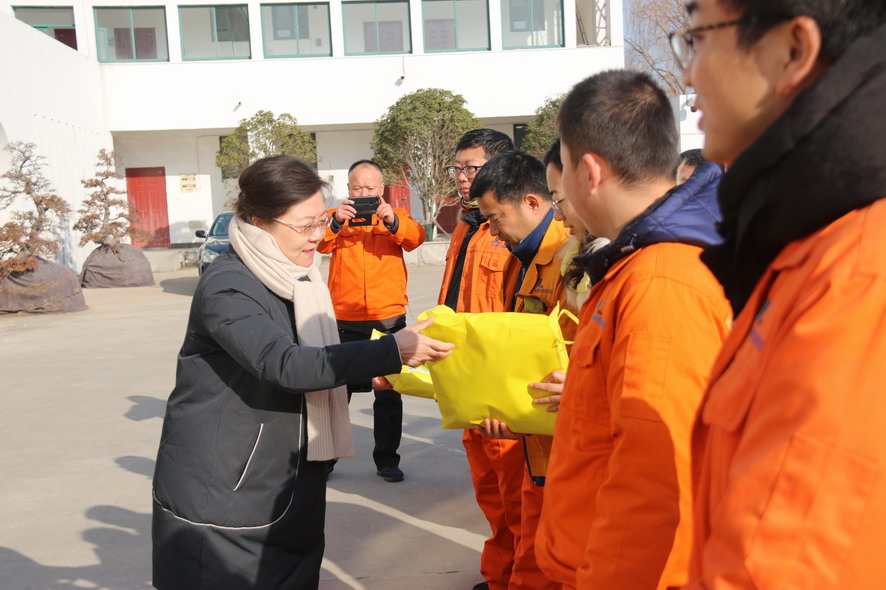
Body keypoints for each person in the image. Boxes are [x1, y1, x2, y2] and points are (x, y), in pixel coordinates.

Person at [151, 155, 453, 590]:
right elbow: (285, 364)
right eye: (306, 225)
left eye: (321, 222)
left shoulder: (294, 277)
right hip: (228, 486)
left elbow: (313, 357)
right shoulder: (229, 285)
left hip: (284, 475)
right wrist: (391, 350)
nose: (317, 235)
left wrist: (370, 374)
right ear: (260, 222)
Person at [671, 1, 886, 587]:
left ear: (793, 51)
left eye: (698, 39)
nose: (687, 75)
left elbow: (780, 568)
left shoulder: (856, 272)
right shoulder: (806, 242)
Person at [533, 69, 731, 590]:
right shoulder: (633, 266)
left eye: (562, 177)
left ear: (589, 172)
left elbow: (655, 480)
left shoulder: (661, 281)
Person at [471, 150, 571, 590]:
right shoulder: (522, 257)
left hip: (565, 447)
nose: (493, 232)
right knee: (531, 558)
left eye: (496, 218)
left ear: (532, 202)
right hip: (535, 443)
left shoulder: (570, 259)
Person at [437, 129, 522, 590]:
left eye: (471, 167)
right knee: (489, 491)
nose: (461, 177)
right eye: (458, 168)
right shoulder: (467, 226)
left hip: (500, 388)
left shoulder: (512, 229)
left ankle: (522, 579)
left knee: (517, 493)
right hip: (465, 379)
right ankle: (499, 576)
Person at [318, 159, 426, 483]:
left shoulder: (396, 215)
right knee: (338, 394)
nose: (363, 192)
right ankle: (326, 459)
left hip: (388, 319)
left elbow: (416, 238)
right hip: (345, 319)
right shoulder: (335, 217)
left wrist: (392, 220)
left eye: (369, 187)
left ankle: (387, 460)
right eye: (357, 187)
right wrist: (336, 221)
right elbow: (318, 243)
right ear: (348, 189)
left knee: (388, 392)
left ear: (381, 189)